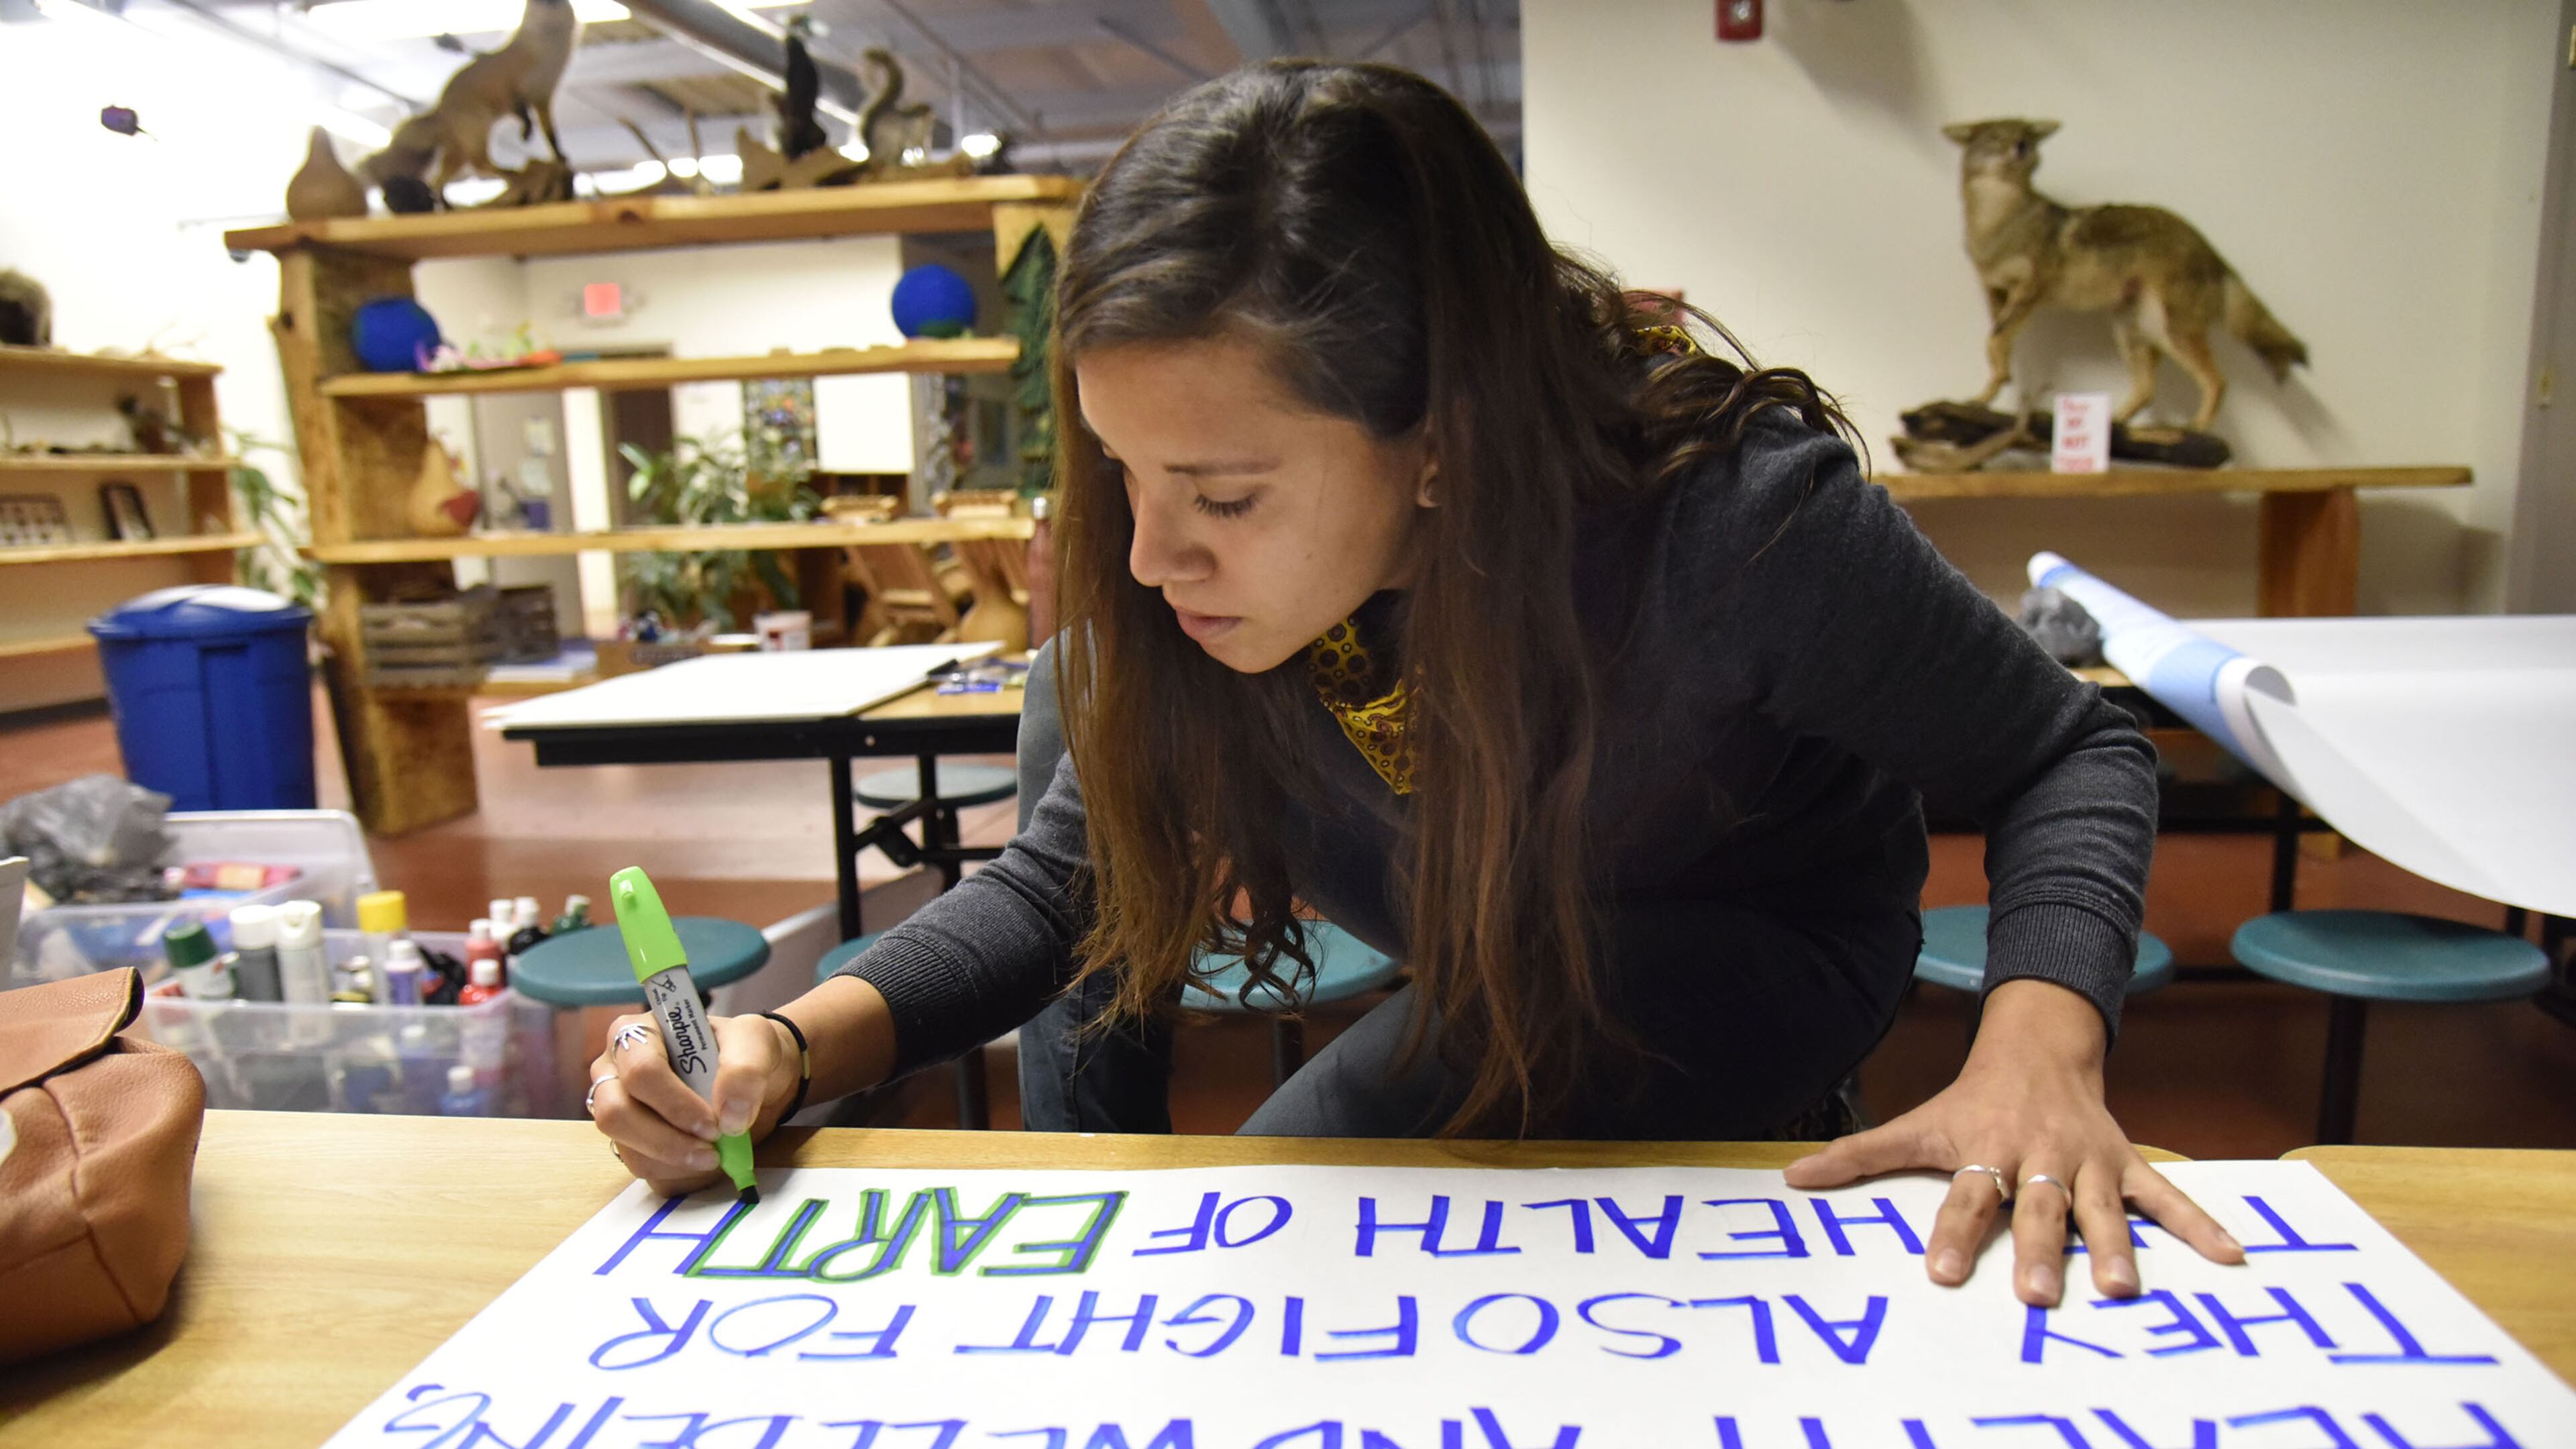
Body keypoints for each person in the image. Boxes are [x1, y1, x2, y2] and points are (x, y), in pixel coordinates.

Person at [584, 60, 2243, 1307]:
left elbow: (2068, 754)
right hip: (1489, 914)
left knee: (1270, 1229)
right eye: (1122, 473)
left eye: (1225, 498)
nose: (1158, 552)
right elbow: (1058, 884)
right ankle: (1102, 1171)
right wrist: (785, 1047)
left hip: (1735, 934)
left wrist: (2040, 1043)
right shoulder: (1173, 566)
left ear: (1443, 443)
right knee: (1083, 689)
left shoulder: (1737, 529)